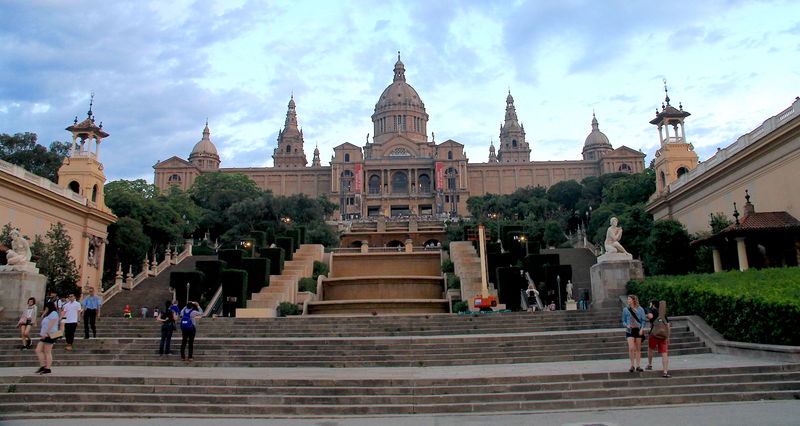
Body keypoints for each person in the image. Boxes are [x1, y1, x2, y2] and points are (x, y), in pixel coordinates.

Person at [646, 300, 672, 378]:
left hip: (654, 334)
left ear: (653, 305)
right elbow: (668, 325)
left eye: (650, 304)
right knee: (664, 353)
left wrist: (648, 314)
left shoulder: (651, 310)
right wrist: (667, 336)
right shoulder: (662, 314)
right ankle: (665, 371)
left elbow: (650, 316)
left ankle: (650, 364)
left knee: (650, 349)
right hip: (663, 335)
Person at [622, 294, 647, 372]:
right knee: (631, 348)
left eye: (629, 299)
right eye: (628, 299)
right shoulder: (625, 309)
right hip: (630, 330)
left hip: (638, 329)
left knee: (638, 348)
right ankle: (632, 365)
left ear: (633, 300)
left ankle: (638, 365)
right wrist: (626, 325)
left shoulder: (640, 309)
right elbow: (623, 320)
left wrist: (642, 329)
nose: (628, 301)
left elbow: (643, 320)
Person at [35, 301, 61, 375]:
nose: (45, 309)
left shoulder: (54, 313)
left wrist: (45, 332)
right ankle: (43, 365)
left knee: (47, 351)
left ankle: (48, 368)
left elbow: (51, 324)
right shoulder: (48, 314)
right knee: (38, 350)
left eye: (46, 307)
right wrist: (44, 314)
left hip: (50, 334)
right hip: (45, 334)